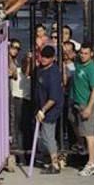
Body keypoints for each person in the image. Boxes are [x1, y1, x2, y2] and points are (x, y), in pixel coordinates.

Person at [70, 43, 94, 176]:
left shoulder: (92, 69)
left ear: (91, 54)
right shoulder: (78, 62)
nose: (83, 55)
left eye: (86, 53)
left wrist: (89, 107)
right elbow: (69, 55)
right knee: (73, 122)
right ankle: (82, 146)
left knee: (89, 134)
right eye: (81, 53)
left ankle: (92, 163)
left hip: (86, 104)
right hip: (75, 102)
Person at [35, 46, 64, 174]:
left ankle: (55, 164)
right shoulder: (41, 69)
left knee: (48, 136)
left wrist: (43, 110)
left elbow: (53, 98)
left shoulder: (53, 73)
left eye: (47, 57)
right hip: (43, 106)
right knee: (44, 137)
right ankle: (55, 159)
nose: (44, 59)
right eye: (43, 56)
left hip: (51, 108)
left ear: (52, 58)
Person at [8, 39, 31, 163]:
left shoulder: (17, 62)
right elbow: (13, 74)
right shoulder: (7, 59)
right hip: (15, 97)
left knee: (22, 128)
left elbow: (24, 71)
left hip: (24, 98)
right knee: (16, 128)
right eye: (13, 47)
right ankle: (18, 154)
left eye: (18, 48)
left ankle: (23, 155)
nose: (15, 50)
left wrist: (27, 60)